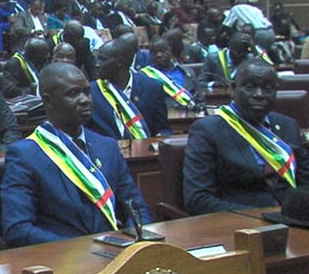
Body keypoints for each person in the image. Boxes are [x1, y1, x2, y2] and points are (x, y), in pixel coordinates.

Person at [0, 63, 151, 247]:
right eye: (73, 94)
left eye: (86, 92)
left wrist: (137, 240)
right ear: (48, 101)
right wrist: (81, 249)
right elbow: (18, 229)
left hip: (117, 253)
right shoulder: (25, 155)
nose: (85, 100)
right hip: (63, 260)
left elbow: (136, 208)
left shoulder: (107, 146)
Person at [183, 59, 309, 215]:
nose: (259, 95)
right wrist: (263, 216)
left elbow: (305, 183)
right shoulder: (207, 130)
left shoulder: (288, 125)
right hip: (241, 225)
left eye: (267, 88)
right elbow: (198, 200)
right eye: (249, 87)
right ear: (234, 89)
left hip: (294, 221)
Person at [87, 39, 172, 140]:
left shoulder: (152, 87)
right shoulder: (90, 91)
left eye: (103, 60)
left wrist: (160, 139)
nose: (97, 64)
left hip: (143, 152)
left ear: (119, 62)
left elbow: (163, 129)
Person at [141, 36, 204, 111]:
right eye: (154, 52)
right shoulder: (145, 76)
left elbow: (201, 100)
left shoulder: (188, 72)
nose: (159, 55)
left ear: (170, 50)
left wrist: (199, 107)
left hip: (189, 117)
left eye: (162, 50)